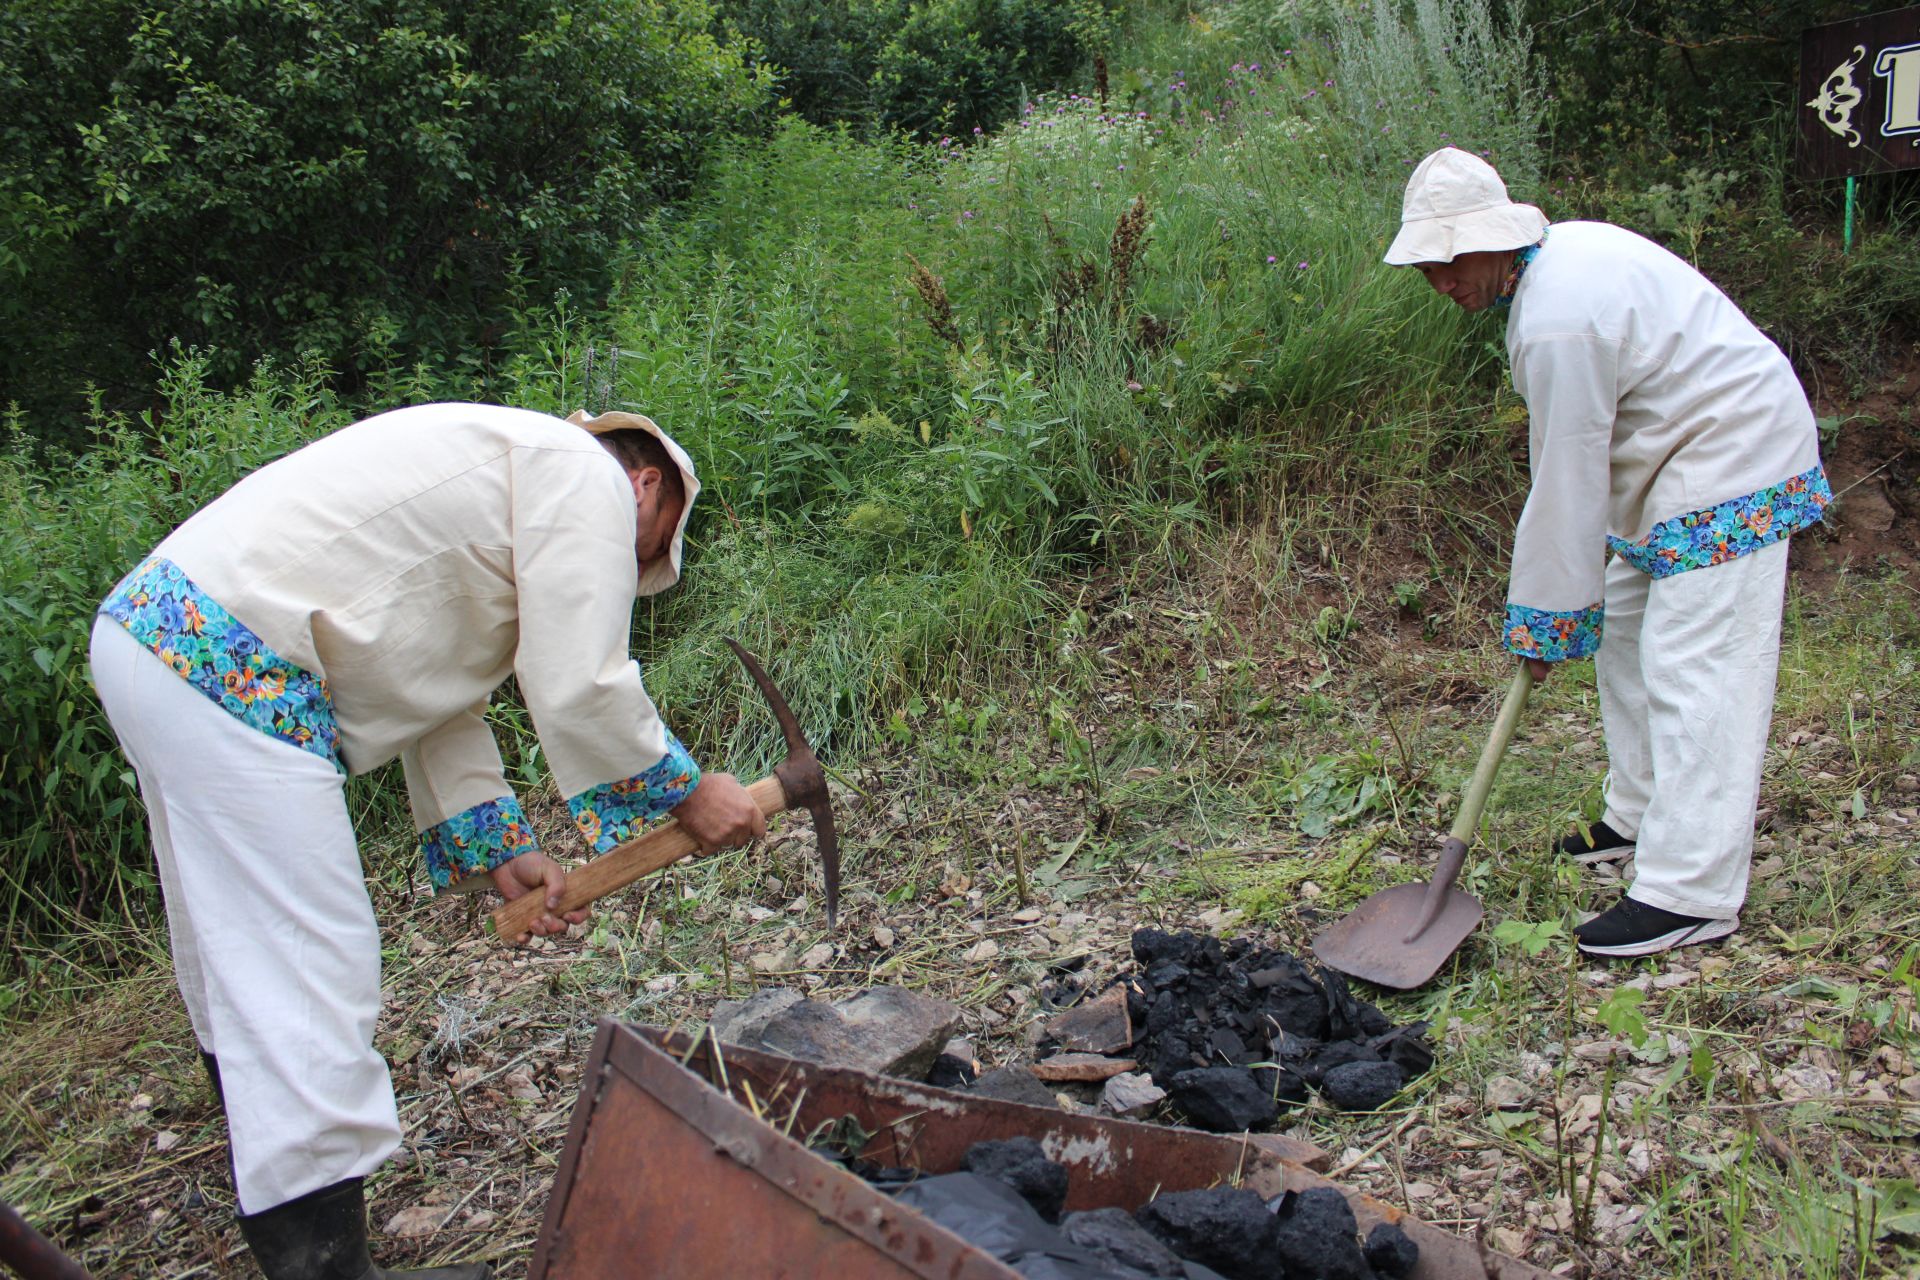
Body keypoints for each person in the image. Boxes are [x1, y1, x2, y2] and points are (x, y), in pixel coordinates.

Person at [88, 403, 767, 1278]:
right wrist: (689, 789)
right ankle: (329, 1271)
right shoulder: (581, 471)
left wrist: (497, 845)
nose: (636, 568)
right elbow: (581, 684)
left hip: (158, 638)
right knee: (305, 968)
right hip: (236, 658)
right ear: (646, 484)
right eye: (651, 547)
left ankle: (302, 1239)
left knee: (231, 964)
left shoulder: (500, 482)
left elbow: (434, 686)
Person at [1384, 147, 1831, 959]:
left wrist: (1547, 618)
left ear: (1499, 237)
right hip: (1671, 462)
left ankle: (1689, 891)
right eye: (1428, 267)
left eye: (1455, 259)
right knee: (1624, 626)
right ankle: (1637, 814)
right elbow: (1582, 465)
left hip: (1732, 459)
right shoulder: (1557, 262)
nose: (1444, 281)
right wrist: (1570, 607)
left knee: (1699, 665)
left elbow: (1567, 474)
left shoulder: (1558, 317)